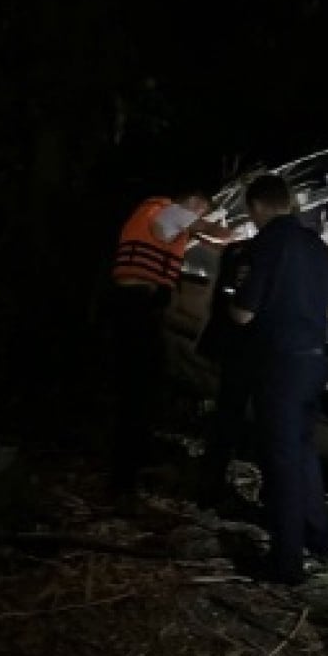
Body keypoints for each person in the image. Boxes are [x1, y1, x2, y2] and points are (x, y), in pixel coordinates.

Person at [230, 173, 328, 584]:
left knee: (279, 460)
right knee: (304, 450)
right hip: (316, 360)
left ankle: (286, 561)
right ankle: (322, 539)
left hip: (279, 363)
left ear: (257, 206)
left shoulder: (264, 245)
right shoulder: (318, 247)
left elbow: (244, 312)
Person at [109, 188, 232, 497]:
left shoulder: (169, 222)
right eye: (201, 210)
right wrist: (224, 232)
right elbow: (193, 227)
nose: (200, 217)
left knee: (147, 382)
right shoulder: (161, 209)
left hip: (141, 308)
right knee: (138, 387)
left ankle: (133, 461)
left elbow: (193, 240)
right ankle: (124, 475)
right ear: (192, 202)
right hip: (134, 306)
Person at [194, 236, 256, 511]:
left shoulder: (235, 252)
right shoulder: (255, 255)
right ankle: (213, 487)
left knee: (226, 415)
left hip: (228, 343)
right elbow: (243, 310)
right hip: (244, 347)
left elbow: (216, 298)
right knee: (231, 416)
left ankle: (210, 482)